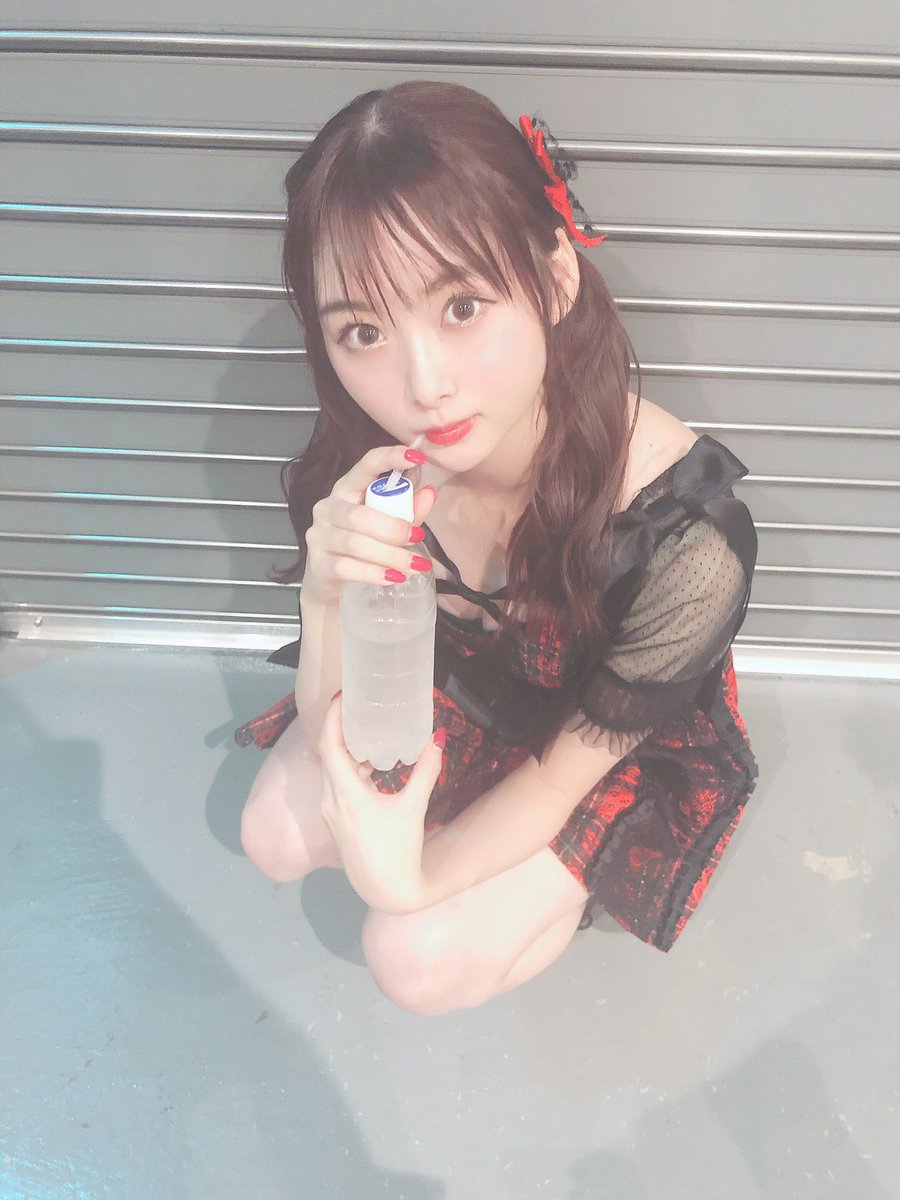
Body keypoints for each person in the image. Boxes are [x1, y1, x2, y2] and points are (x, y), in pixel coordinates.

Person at [235, 81, 759, 1015]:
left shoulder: (683, 541)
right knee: (271, 837)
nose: (422, 386)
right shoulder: (380, 467)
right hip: (457, 689)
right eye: (364, 331)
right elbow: (334, 712)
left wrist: (409, 880)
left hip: (587, 744)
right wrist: (324, 596)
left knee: (414, 958)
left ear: (555, 280)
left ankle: (564, 899)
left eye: (462, 307)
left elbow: (562, 774)